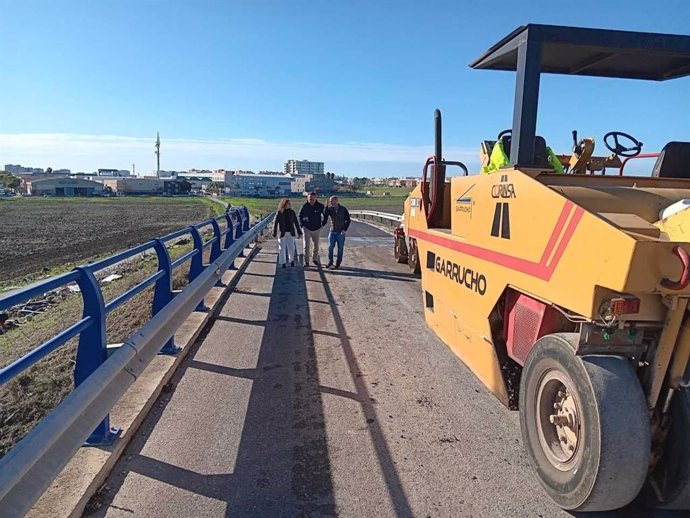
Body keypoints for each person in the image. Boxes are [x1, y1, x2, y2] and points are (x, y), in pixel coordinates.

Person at [272, 199, 302, 268]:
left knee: (291, 247)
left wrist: (299, 232)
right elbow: (275, 223)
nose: (289, 205)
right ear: (283, 204)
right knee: (282, 248)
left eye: (289, 204)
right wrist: (274, 233)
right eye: (287, 204)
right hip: (282, 233)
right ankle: (283, 262)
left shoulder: (292, 212)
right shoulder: (279, 212)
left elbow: (296, 223)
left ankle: (291, 260)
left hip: (290, 232)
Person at [323, 195, 351, 269]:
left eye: (332, 201)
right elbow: (325, 216)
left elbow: (348, 220)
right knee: (330, 247)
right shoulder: (330, 209)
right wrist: (326, 206)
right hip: (332, 231)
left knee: (340, 248)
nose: (331, 202)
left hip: (340, 232)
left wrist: (344, 229)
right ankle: (330, 262)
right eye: (330, 201)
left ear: (336, 200)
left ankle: (338, 263)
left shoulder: (343, 209)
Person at [298, 191, 325, 267]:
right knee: (306, 246)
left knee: (316, 245)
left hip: (317, 228)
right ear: (307, 198)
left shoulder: (320, 206)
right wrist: (302, 225)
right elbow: (299, 215)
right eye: (310, 198)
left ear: (315, 198)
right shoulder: (304, 206)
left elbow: (325, 214)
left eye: (313, 198)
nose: (311, 200)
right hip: (306, 228)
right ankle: (306, 261)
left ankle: (315, 259)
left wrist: (323, 223)